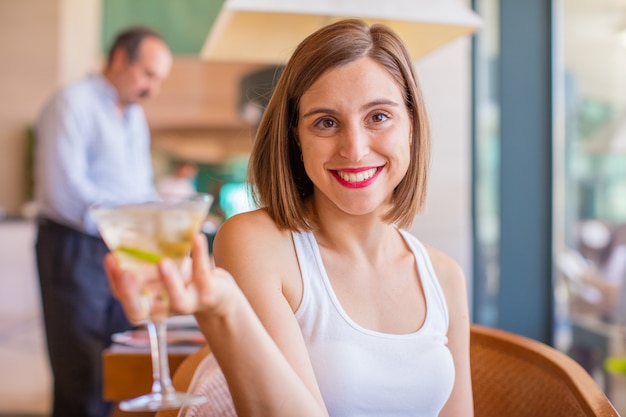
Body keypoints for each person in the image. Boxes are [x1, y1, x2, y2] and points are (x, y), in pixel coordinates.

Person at [106, 19, 473, 416]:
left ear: (412, 126)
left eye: (378, 116)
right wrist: (224, 308)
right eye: (326, 122)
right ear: (296, 138)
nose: (354, 148)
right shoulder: (257, 243)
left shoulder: (445, 276)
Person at [34, 26, 172, 417]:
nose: (153, 88)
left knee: (119, 355)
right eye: (148, 75)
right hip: (75, 245)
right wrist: (129, 224)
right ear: (117, 61)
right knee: (81, 367)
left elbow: (140, 186)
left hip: (123, 246)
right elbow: (64, 190)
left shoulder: (134, 117)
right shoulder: (72, 103)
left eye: (159, 79)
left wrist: (160, 216)